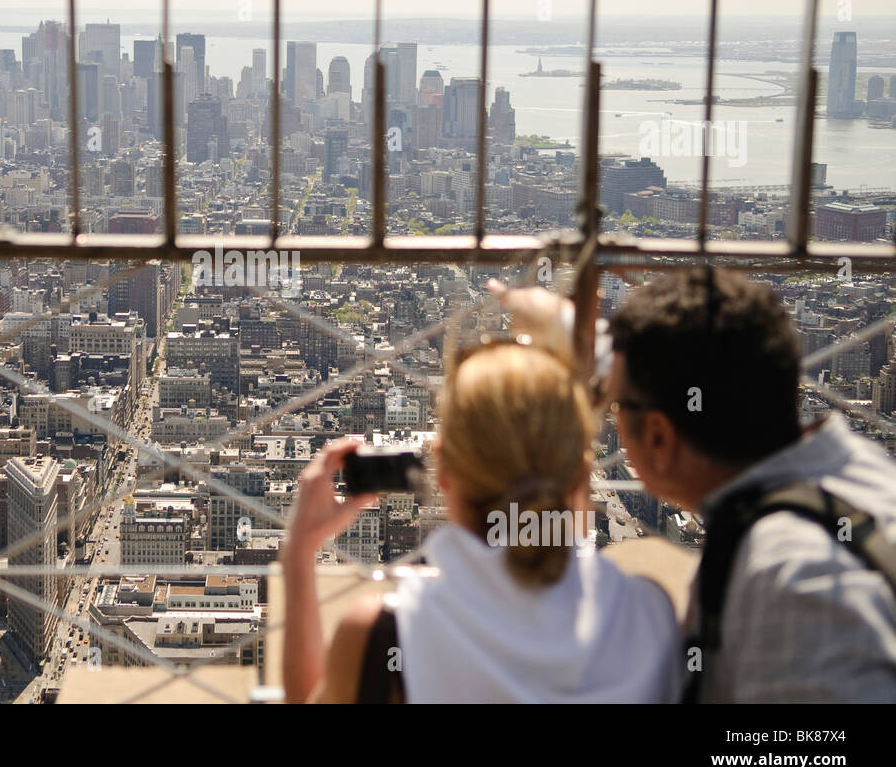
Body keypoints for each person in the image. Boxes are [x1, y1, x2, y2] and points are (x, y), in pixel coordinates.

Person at [492, 268, 896, 702]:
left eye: (612, 404)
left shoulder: (793, 588)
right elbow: (671, 372)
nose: (609, 414)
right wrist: (562, 323)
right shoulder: (857, 469)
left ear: (660, 438)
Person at [282, 342, 681, 703]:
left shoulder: (388, 635)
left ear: (444, 472)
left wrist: (300, 551)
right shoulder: (650, 617)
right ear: (581, 474)